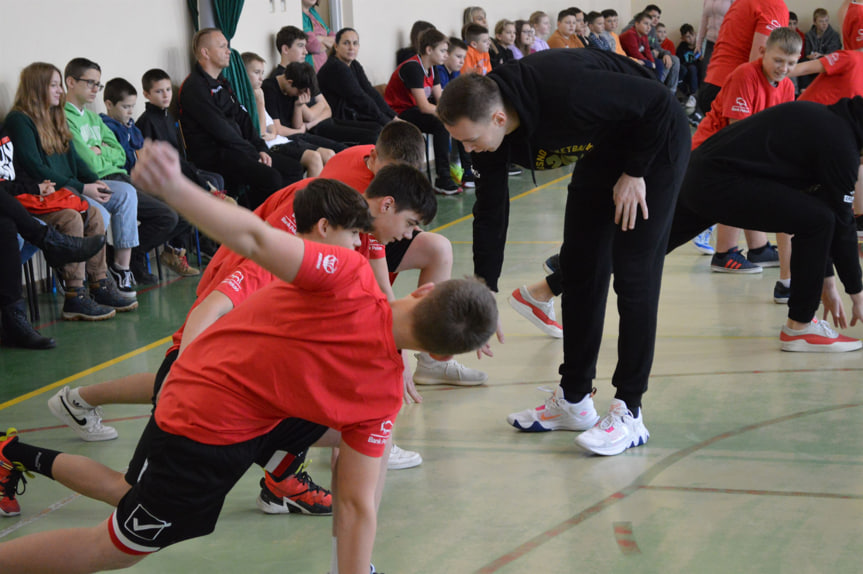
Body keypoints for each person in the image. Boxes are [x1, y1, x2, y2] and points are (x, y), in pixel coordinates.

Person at [0, 139, 498, 574]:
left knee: (334, 435)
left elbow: (254, 236)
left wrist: (175, 187)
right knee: (116, 546)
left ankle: (282, 475)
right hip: (205, 424)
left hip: (247, 408)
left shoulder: (342, 272)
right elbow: (358, 504)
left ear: (417, 295)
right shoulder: (382, 400)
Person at [437, 49, 691, 456]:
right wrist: (483, 286)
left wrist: (636, 171)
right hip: (606, 144)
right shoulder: (491, 129)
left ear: (498, 119)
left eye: (470, 139)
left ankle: (630, 411)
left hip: (654, 139)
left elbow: (658, 104)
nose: (467, 150)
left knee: (633, 273)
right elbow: (490, 207)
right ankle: (574, 400)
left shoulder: (567, 91)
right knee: (580, 267)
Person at [666, 98, 863, 352]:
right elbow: (840, 223)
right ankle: (799, 328)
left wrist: (828, 283)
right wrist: (857, 293)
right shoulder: (841, 144)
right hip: (718, 183)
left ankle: (599, 268)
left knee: (642, 250)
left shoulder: (831, 122)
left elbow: (824, 215)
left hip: (700, 176)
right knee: (819, 220)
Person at [320, 123, 488, 388]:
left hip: (371, 235)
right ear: (374, 157)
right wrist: (399, 355)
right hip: (338, 251)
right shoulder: (355, 195)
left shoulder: (382, 175)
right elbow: (379, 284)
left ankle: (434, 362)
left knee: (438, 248)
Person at [3, 62, 139, 315]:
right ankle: (75, 294)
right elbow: (35, 167)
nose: (59, 91)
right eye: (53, 85)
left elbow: (73, 156)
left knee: (96, 214)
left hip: (63, 191)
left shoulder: (54, 116)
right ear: (36, 87)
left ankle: (99, 284)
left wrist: (92, 180)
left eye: (58, 85)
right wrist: (82, 187)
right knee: (73, 218)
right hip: (35, 195)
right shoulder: (19, 120)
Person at [63, 58, 183, 288]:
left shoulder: (92, 118)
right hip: (99, 181)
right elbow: (87, 162)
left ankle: (124, 262)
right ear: (70, 82)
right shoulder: (65, 118)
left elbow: (121, 153)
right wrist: (99, 153)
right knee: (149, 207)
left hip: (121, 176)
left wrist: (101, 152)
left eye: (97, 84)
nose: (95, 89)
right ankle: (122, 266)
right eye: (90, 83)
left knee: (175, 211)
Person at [693, 28, 800, 280]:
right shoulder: (745, 75)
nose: (783, 68)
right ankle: (724, 253)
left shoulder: (786, 85)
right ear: (763, 51)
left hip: (746, 146)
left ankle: (759, 248)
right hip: (713, 150)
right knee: (744, 179)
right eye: (778, 60)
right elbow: (736, 134)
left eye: (791, 63)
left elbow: (781, 131)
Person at [179, 28, 304, 209]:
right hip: (215, 154)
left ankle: (281, 219)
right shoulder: (194, 87)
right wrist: (253, 154)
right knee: (271, 178)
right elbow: (221, 130)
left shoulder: (222, 81)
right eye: (222, 46)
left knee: (294, 169)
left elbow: (242, 117)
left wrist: (261, 148)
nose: (228, 51)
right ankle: (256, 226)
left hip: (237, 150)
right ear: (205, 53)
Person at [0, 137, 106, 349]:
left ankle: (14, 322)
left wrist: (36, 187)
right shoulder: (18, 123)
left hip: (10, 204)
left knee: (6, 226)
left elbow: (12, 177)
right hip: (15, 201)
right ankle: (50, 241)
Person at [101, 77, 200, 277]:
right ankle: (129, 257)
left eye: (132, 106)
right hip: (123, 182)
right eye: (125, 107)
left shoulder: (132, 128)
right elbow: (120, 159)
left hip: (142, 181)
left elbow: (141, 155)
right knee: (166, 216)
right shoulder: (106, 127)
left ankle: (144, 253)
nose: (130, 111)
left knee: (186, 210)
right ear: (109, 105)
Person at [385, 29, 462, 194]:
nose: (445, 55)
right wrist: (446, 116)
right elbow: (424, 106)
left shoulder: (433, 69)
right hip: (399, 112)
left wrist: (452, 114)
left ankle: (456, 174)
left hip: (414, 111)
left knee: (449, 121)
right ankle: (443, 178)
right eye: (442, 51)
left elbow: (440, 100)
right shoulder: (413, 67)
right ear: (428, 50)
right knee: (441, 123)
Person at [242, 52, 335, 179]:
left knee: (330, 154)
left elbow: (274, 129)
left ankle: (331, 196)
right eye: (257, 73)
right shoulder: (263, 93)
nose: (261, 79)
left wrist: (298, 106)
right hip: (277, 144)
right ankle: (313, 198)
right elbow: (263, 133)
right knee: (314, 158)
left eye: (262, 73)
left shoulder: (259, 94)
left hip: (285, 139)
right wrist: (260, 102)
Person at [317, 28, 397, 128]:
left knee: (385, 124)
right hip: (334, 121)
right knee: (378, 129)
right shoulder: (335, 67)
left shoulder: (354, 64)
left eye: (355, 43)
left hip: (350, 114)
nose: (351, 47)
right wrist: (387, 122)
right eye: (346, 43)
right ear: (336, 46)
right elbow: (359, 97)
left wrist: (393, 117)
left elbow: (369, 91)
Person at [799, 8, 842, 91]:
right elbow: (806, 52)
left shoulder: (834, 35)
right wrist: (810, 56)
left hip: (826, 61)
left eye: (826, 21)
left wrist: (820, 55)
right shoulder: (809, 35)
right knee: (802, 62)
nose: (824, 24)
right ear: (815, 22)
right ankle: (803, 90)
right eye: (821, 21)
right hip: (812, 60)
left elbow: (833, 54)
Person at [696, 0, 734, 83]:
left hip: (726, 43)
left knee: (722, 76)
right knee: (706, 73)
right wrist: (698, 43)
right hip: (710, 43)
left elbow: (737, 19)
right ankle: (705, 95)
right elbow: (704, 21)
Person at [620, 12, 665, 80]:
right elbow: (635, 53)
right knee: (649, 66)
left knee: (659, 63)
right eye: (646, 24)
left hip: (638, 58)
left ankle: (657, 83)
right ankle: (655, 84)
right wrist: (650, 64)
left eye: (650, 25)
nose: (649, 27)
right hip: (628, 59)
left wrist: (652, 62)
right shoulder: (630, 34)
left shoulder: (644, 35)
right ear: (637, 24)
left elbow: (647, 51)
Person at [301, 0, 334, 71]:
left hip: (323, 66)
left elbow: (334, 38)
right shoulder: (299, 15)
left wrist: (320, 38)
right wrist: (328, 42)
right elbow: (314, 46)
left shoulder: (312, 11)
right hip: (310, 69)